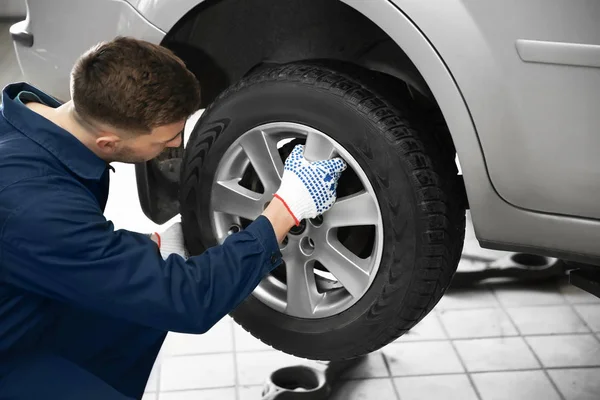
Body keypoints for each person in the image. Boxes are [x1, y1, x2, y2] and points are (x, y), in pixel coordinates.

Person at [0, 37, 346, 399]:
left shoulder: (32, 127)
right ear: (108, 142)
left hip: (25, 305)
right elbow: (186, 302)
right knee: (158, 301)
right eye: (166, 138)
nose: (177, 143)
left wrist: (145, 250)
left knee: (138, 308)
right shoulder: (31, 203)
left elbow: (46, 245)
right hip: (10, 356)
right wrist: (286, 209)